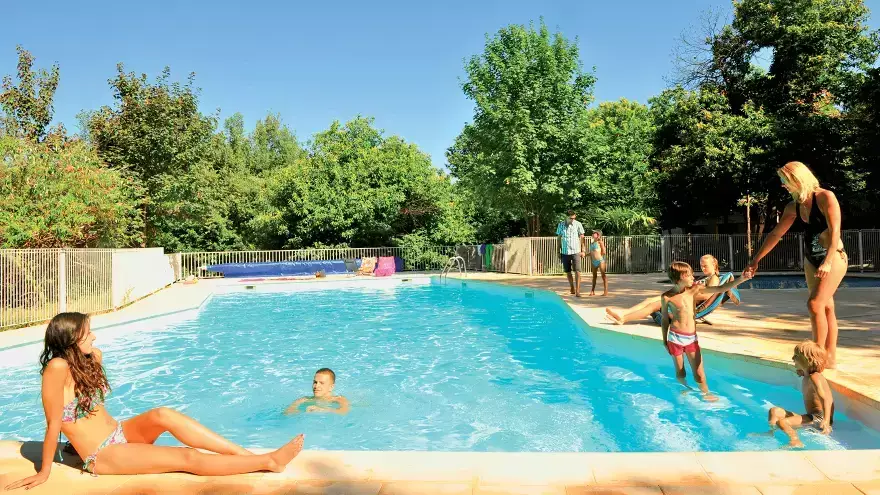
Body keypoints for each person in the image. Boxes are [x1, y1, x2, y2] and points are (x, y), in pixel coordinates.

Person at [5, 313, 305, 490]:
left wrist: (93, 358)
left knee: (163, 414)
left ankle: (243, 455)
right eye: (87, 334)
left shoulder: (91, 358)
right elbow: (54, 423)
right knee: (186, 458)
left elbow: (89, 409)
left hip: (121, 433)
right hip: (103, 454)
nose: (94, 337)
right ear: (70, 340)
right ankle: (269, 461)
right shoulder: (57, 368)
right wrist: (44, 471)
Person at [744, 161, 847, 368]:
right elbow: (775, 234)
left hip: (833, 257)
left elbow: (835, 231)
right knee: (825, 307)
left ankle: (816, 359)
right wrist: (755, 260)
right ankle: (830, 359)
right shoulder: (794, 206)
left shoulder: (826, 197)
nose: (783, 185)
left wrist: (827, 262)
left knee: (814, 304)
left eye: (785, 181)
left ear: (797, 179)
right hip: (811, 259)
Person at [660, 261, 752, 400]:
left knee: (699, 373)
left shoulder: (695, 290)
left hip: (691, 338)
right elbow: (665, 320)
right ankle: (684, 389)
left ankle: (706, 393)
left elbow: (720, 289)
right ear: (680, 278)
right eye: (689, 275)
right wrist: (664, 340)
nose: (693, 277)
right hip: (674, 338)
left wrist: (741, 279)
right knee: (680, 372)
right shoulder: (666, 297)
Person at [605, 254, 735, 325]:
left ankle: (624, 319)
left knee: (654, 305)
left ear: (713, 264)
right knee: (650, 299)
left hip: (685, 305)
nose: (703, 268)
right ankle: (624, 313)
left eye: (705, 266)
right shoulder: (707, 277)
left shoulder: (714, 279)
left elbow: (707, 297)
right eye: (701, 266)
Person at [767, 340, 835, 448]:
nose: (793, 358)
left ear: (807, 360)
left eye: (796, 356)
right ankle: (771, 433)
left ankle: (795, 441)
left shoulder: (815, 377)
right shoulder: (808, 376)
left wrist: (826, 421)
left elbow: (826, 399)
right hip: (811, 416)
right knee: (774, 411)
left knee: (783, 422)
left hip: (818, 418)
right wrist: (802, 371)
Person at [284, 368, 350, 415]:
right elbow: (287, 412)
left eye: (321, 383)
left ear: (331, 387)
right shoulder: (305, 399)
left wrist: (322, 410)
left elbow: (343, 412)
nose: (316, 386)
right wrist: (301, 413)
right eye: (315, 382)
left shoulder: (339, 399)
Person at [556, 210, 586, 297]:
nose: (572, 220)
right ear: (566, 217)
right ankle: (572, 287)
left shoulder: (578, 224)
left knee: (578, 271)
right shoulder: (561, 225)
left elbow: (582, 237)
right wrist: (558, 251)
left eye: (573, 218)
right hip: (565, 252)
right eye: (570, 218)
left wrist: (583, 250)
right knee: (568, 272)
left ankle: (578, 290)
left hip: (576, 251)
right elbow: (558, 239)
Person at [588, 230, 608, 296]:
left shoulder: (600, 242)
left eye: (595, 233)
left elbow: (604, 251)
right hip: (593, 262)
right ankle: (592, 291)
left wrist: (599, 256)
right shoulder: (592, 243)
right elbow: (591, 253)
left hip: (600, 261)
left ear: (598, 235)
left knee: (603, 275)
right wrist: (585, 254)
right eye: (593, 233)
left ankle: (605, 291)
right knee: (594, 276)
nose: (593, 234)